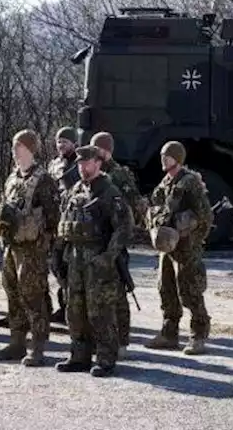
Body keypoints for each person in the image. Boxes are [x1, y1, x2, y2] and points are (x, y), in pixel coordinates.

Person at [54, 145, 130, 377]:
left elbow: (124, 228)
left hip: (98, 260)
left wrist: (107, 258)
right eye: (80, 163)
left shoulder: (109, 192)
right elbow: (63, 224)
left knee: (100, 311)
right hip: (75, 259)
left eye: (87, 163)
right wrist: (58, 255)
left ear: (98, 163)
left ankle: (106, 358)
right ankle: (79, 355)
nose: (83, 167)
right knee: (74, 308)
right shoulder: (75, 189)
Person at [0, 129, 60, 366]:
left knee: (34, 296)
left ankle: (38, 345)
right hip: (11, 247)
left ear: (30, 149)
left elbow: (52, 218)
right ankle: (16, 341)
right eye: (13, 147)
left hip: (33, 249)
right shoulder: (12, 178)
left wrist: (43, 243)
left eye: (18, 147)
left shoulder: (43, 180)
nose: (14, 151)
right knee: (13, 293)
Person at [143, 141, 214, 356]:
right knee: (166, 289)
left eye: (169, 156)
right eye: (163, 155)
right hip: (167, 247)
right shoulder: (165, 182)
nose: (164, 159)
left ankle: (198, 335)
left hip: (186, 247)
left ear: (178, 159)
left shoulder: (189, 182)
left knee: (190, 291)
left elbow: (205, 216)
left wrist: (192, 239)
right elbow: (154, 208)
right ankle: (169, 333)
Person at [89, 131, 140, 359]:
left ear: (107, 151)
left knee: (118, 294)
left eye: (98, 149)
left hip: (115, 241)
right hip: (93, 240)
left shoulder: (119, 175)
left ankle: (122, 341)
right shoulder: (88, 171)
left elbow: (133, 206)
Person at [46, 127, 79, 323]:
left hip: (72, 223)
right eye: (59, 141)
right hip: (56, 223)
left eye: (65, 141)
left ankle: (71, 308)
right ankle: (62, 305)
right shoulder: (54, 165)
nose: (61, 145)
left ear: (74, 143)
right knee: (56, 265)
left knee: (70, 267)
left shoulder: (80, 164)